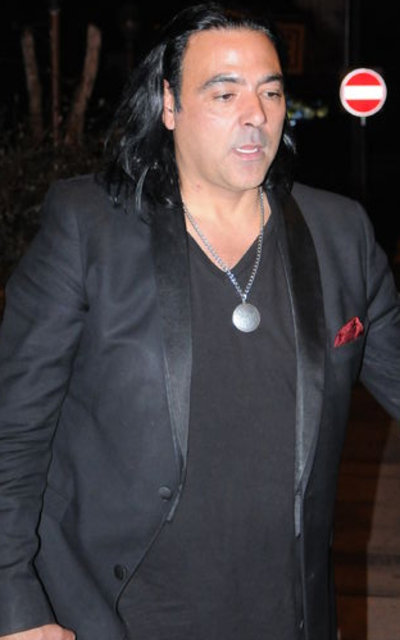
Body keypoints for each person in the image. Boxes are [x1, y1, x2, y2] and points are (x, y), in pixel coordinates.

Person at [0, 3, 399, 639]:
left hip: (285, 615)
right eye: (224, 92)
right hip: (118, 614)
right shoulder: (89, 228)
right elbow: (15, 429)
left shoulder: (340, 233)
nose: (255, 114)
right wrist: (16, 607)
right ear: (169, 105)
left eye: (271, 92)